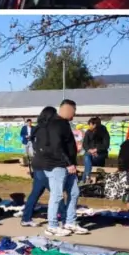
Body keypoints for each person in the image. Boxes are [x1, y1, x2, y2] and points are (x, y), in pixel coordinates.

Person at [34, 99, 89, 237]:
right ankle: (52, 225)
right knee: (57, 195)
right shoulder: (56, 125)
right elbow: (57, 146)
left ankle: (70, 221)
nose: (74, 114)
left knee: (74, 192)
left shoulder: (63, 124)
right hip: (57, 165)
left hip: (67, 165)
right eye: (74, 111)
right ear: (67, 109)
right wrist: (68, 163)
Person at [19, 107, 57, 227]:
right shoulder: (45, 130)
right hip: (43, 165)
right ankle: (66, 217)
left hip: (38, 164)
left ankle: (26, 218)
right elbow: (46, 148)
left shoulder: (38, 129)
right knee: (56, 192)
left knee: (36, 192)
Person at [82, 116, 110, 184]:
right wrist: (90, 150)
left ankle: (84, 180)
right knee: (87, 156)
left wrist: (96, 150)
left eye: (90, 124)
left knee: (87, 158)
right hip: (90, 154)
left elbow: (106, 145)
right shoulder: (88, 132)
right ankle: (87, 178)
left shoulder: (104, 132)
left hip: (100, 155)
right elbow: (85, 144)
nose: (89, 126)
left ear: (94, 125)